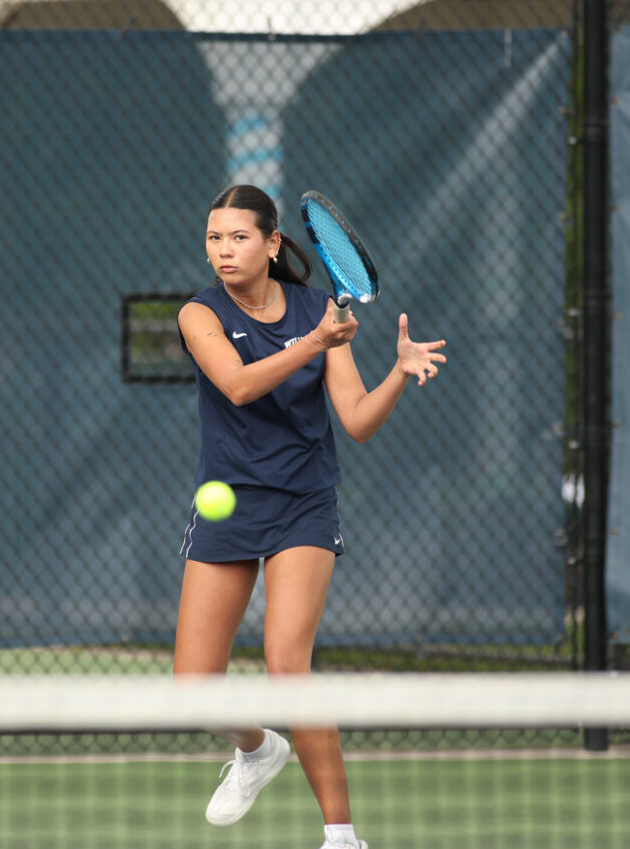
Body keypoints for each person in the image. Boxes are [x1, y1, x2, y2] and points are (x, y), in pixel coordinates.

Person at [174, 185, 447, 849]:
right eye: (214, 238)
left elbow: (354, 421)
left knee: (287, 664)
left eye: (238, 237)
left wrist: (396, 374)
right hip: (231, 501)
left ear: (271, 244)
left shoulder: (317, 310)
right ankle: (259, 748)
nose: (223, 251)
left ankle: (342, 837)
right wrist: (314, 342)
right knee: (189, 690)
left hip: (303, 501)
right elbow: (238, 385)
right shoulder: (198, 314)